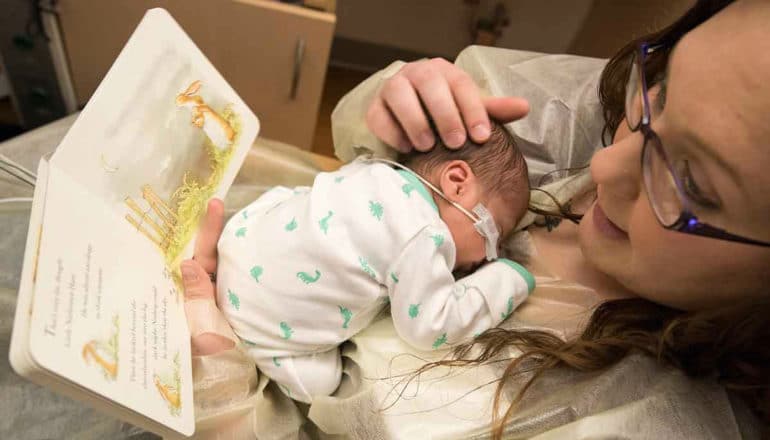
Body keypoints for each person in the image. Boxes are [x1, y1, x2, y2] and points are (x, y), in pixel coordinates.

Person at [182, 0, 770, 437]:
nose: (604, 164)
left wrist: (213, 373)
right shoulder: (570, 112)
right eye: (659, 95)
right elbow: (360, 157)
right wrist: (400, 111)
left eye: (690, 181)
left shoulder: (637, 421)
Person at [214, 122, 532, 403]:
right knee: (322, 384)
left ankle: (210, 272)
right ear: (457, 182)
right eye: (494, 235)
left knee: (298, 197)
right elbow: (430, 326)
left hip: (238, 243)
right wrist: (508, 277)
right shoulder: (423, 235)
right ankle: (233, 328)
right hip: (257, 319)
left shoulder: (375, 168)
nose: (486, 257)